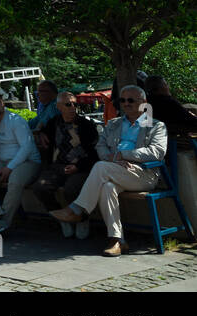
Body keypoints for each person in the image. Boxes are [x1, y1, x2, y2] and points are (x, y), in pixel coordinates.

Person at [52, 85, 168, 256]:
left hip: (143, 173)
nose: (126, 104)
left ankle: (77, 209)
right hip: (114, 170)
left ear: (144, 102)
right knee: (107, 187)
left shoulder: (155, 125)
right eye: (122, 100)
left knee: (100, 167)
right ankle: (117, 240)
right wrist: (114, 159)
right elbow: (101, 146)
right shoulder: (114, 123)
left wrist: (124, 155)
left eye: (131, 100)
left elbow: (156, 152)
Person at [31, 91, 98, 238]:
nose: (73, 107)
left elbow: (94, 153)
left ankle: (81, 219)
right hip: (57, 167)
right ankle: (60, 217)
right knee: (39, 187)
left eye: (75, 104)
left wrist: (78, 166)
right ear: (59, 107)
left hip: (81, 168)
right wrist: (40, 133)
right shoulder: (53, 123)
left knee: (71, 189)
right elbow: (39, 131)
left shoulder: (86, 125)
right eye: (68, 104)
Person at [0, 88, 39, 235]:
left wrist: (10, 167)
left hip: (29, 161)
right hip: (5, 162)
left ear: (3, 103)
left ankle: (5, 222)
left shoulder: (16, 120)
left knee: (15, 180)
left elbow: (26, 147)